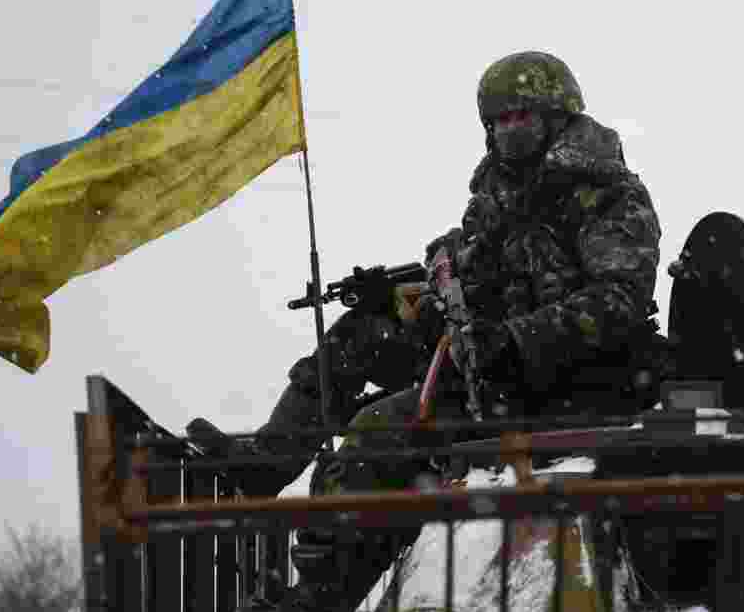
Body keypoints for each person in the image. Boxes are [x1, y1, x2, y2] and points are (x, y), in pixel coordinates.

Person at [268, 51, 663, 612]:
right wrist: (411, 296)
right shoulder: (497, 198)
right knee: (363, 337)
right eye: (498, 121)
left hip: (581, 380)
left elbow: (617, 303)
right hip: (495, 367)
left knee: (379, 432)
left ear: (555, 118)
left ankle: (317, 599)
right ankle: (265, 464)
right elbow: (469, 279)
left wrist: (517, 339)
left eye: (520, 117)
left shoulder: (609, 195)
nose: (508, 131)